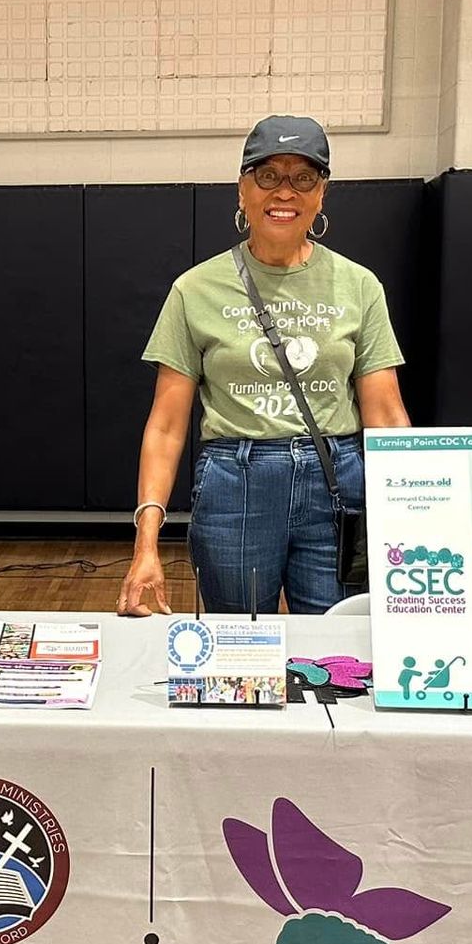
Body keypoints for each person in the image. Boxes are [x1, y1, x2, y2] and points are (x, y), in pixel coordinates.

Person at [117, 115, 412, 617]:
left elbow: (386, 418)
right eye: (268, 175)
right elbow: (166, 428)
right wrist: (146, 542)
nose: (285, 192)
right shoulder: (196, 289)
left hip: (336, 484)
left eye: (304, 177)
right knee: (237, 650)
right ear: (242, 188)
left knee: (339, 653)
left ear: (322, 193)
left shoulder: (359, 286)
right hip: (236, 482)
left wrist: (421, 509)